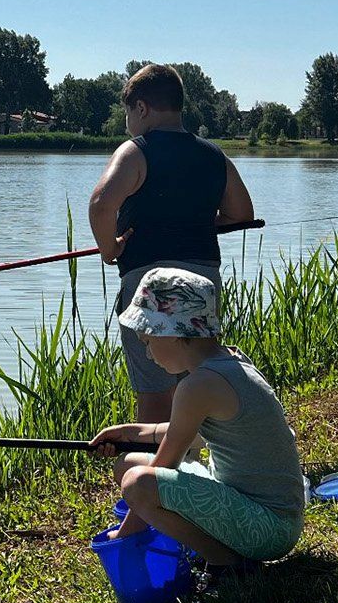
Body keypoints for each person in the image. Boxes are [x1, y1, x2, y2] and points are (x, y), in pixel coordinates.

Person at [89, 269, 303, 568]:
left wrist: (125, 536)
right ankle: (211, 548)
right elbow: (192, 433)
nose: (148, 354)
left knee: (139, 483)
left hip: (266, 529)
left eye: (148, 341)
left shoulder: (198, 385)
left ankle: (224, 563)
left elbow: (166, 463)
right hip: (266, 516)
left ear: (172, 332)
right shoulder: (228, 363)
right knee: (129, 463)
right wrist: (130, 432)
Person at [88, 63, 255, 425]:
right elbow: (241, 213)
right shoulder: (214, 155)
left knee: (154, 392)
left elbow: (101, 206)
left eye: (128, 113)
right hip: (202, 281)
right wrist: (196, 221)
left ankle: (154, 473)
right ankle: (187, 462)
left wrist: (109, 248)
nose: (128, 122)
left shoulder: (136, 151)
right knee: (194, 380)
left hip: (150, 285)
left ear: (142, 108)